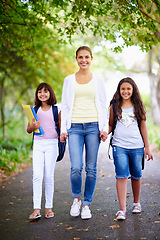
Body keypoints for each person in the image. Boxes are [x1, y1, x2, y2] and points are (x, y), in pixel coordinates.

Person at [60, 46, 108, 220]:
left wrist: (104, 128)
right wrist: (63, 130)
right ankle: (77, 199)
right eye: (80, 57)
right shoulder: (68, 80)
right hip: (74, 127)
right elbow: (64, 106)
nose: (84, 60)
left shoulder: (98, 80)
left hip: (93, 126)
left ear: (91, 58)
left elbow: (103, 105)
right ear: (76, 59)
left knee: (91, 168)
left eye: (87, 57)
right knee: (75, 167)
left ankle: (87, 204)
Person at [108, 77, 153, 220]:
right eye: (123, 89)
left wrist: (147, 147)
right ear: (119, 90)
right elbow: (110, 125)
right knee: (121, 175)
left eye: (128, 88)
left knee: (136, 175)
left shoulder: (138, 105)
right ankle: (122, 209)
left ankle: (136, 203)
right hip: (119, 145)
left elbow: (143, 127)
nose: (125, 91)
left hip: (137, 146)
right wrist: (104, 133)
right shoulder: (114, 106)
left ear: (133, 90)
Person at [27, 82, 61, 220]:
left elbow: (61, 127)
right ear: (37, 94)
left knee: (48, 176)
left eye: (45, 91)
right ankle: (36, 209)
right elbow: (29, 130)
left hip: (52, 144)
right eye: (40, 91)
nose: (42, 94)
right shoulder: (34, 110)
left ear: (50, 93)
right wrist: (33, 126)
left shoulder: (56, 110)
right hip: (38, 144)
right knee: (37, 175)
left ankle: (49, 207)